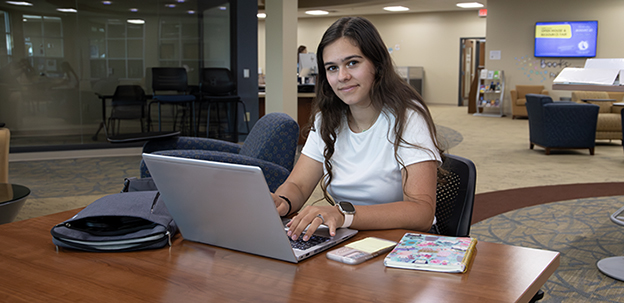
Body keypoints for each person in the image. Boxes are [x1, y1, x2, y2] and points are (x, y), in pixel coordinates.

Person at [272, 17, 445, 242]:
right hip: (347, 238)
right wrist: (281, 201)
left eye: (352, 63)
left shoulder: (408, 117)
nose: (342, 76)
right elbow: (298, 184)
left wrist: (344, 215)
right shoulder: (327, 120)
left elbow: (421, 211)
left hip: (399, 242)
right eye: (332, 68)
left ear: (377, 64)